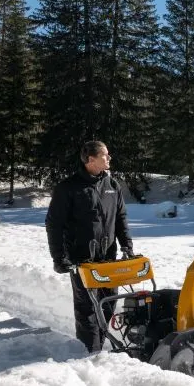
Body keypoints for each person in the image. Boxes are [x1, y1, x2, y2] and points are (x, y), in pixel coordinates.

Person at [45, 141, 135, 352]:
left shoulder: (112, 186)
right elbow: (54, 224)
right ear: (91, 159)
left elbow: (120, 218)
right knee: (87, 309)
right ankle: (89, 354)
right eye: (105, 155)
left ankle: (98, 347)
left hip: (108, 258)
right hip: (82, 260)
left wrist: (127, 246)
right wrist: (59, 258)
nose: (109, 158)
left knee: (108, 303)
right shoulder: (68, 188)